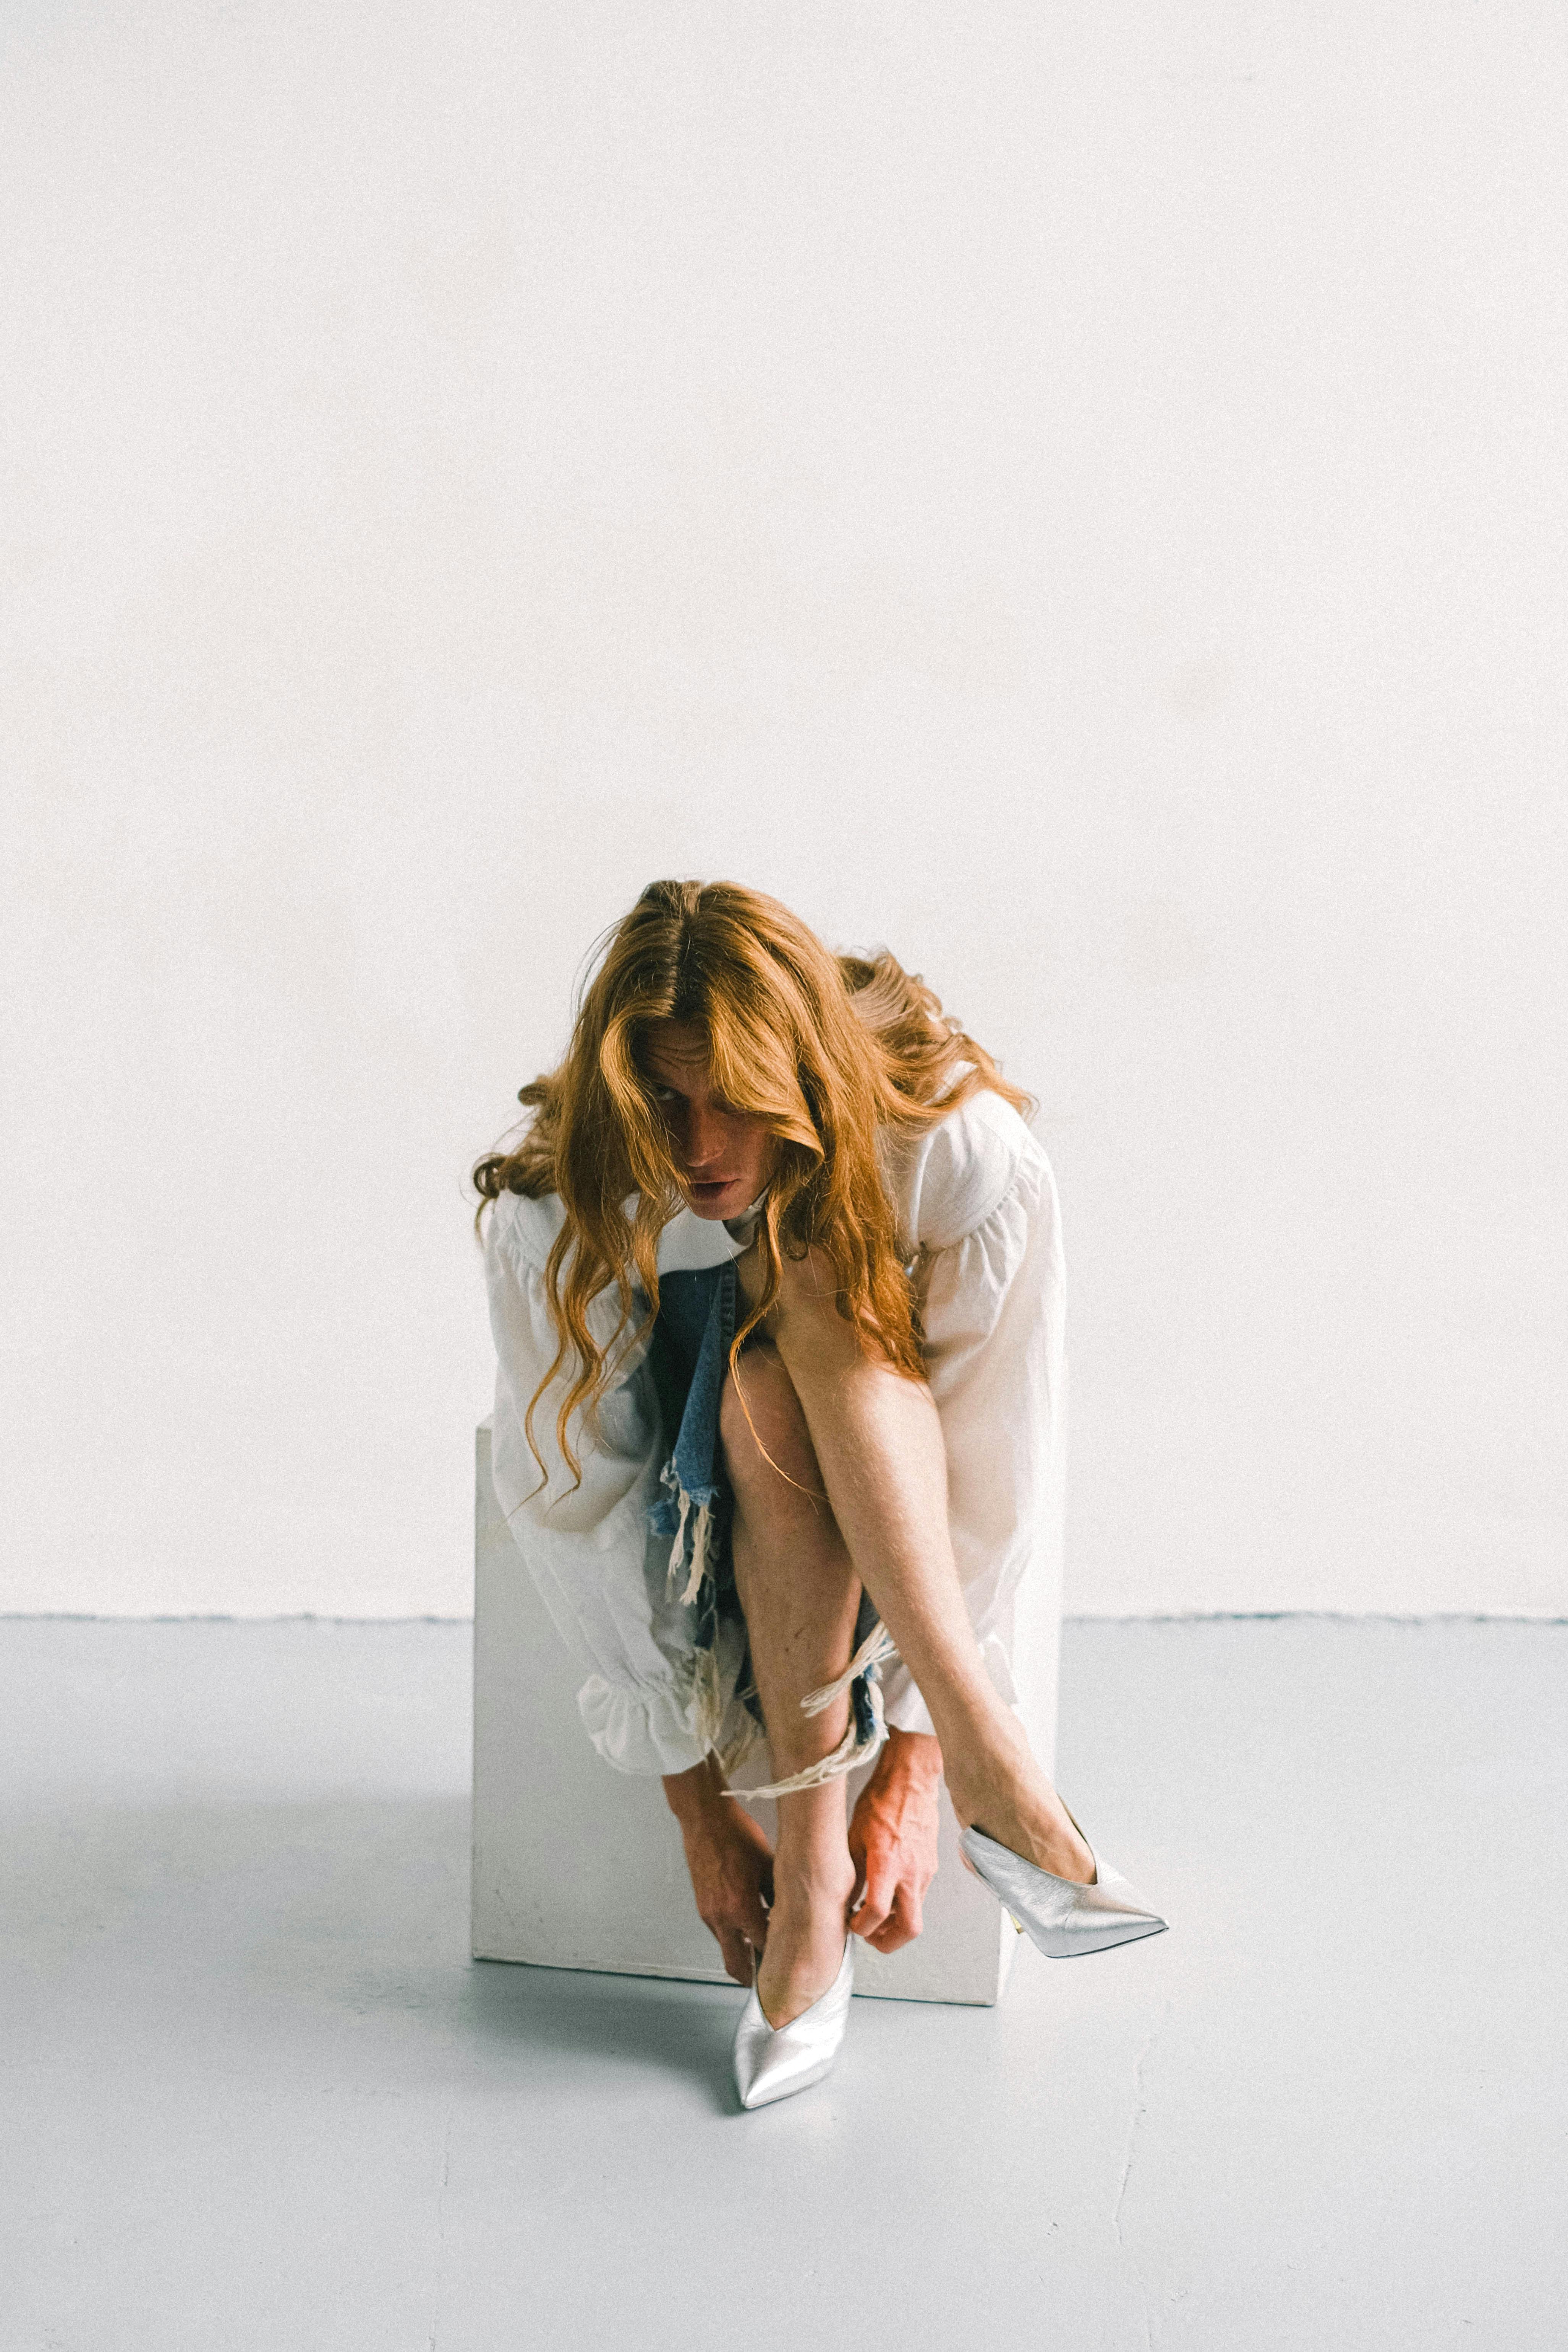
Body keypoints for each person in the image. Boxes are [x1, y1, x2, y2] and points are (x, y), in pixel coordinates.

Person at [475, 879, 1166, 2109]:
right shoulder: (560, 1210)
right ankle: (992, 1791)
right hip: (701, 1505)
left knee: (815, 1283)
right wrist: (694, 1807)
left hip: (880, 1468)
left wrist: (914, 1764)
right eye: (667, 1103)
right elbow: (582, 1499)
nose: (699, 1147)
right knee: (762, 1381)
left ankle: (857, 1856)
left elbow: (996, 1457)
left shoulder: (956, 1152)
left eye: (737, 1099)